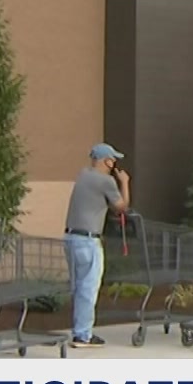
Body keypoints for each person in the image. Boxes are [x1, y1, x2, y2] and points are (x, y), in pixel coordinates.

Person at [64, 144, 130, 347]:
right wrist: (125, 183)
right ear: (107, 161)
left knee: (78, 287)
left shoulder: (83, 174)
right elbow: (121, 207)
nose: (115, 163)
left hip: (70, 238)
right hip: (88, 241)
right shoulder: (106, 181)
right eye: (113, 159)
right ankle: (83, 335)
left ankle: (79, 330)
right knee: (89, 288)